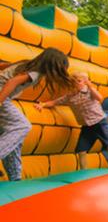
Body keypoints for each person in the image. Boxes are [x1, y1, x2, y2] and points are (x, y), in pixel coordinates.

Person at [0, 48, 73, 181]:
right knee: (22, 126)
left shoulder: (26, 64)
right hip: (2, 96)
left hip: (4, 96)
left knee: (14, 140)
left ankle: (15, 178)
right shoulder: (35, 72)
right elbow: (12, 82)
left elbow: (4, 66)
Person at [37, 71, 108, 171]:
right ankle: (84, 171)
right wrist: (43, 105)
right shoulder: (70, 96)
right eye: (78, 81)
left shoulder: (89, 91)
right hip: (87, 126)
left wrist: (90, 86)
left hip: (100, 122)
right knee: (81, 150)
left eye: (83, 81)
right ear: (73, 82)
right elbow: (55, 102)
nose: (80, 83)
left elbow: (100, 98)